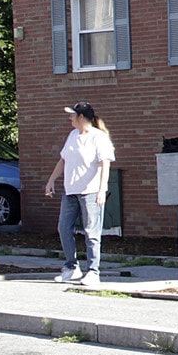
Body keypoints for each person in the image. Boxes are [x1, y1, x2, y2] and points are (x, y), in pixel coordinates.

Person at [43, 102, 114, 284]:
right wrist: (52, 180)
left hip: (90, 192)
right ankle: (71, 267)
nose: (70, 118)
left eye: (72, 115)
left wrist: (101, 189)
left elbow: (105, 164)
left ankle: (93, 271)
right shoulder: (73, 135)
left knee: (91, 232)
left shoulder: (99, 138)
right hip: (70, 191)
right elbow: (63, 160)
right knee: (64, 228)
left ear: (81, 117)